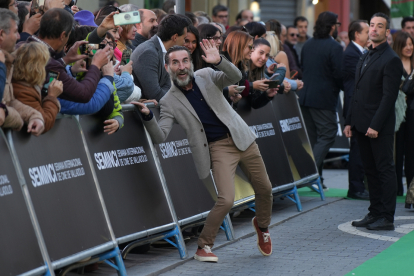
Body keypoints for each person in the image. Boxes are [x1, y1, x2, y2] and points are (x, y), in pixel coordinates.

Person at [132, 40, 274, 262]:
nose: (181, 66)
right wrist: (148, 116)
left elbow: (236, 77)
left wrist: (218, 60)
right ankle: (203, 246)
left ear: (190, 62)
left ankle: (262, 226)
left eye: (185, 61)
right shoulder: (168, 101)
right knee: (226, 200)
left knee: (265, 189)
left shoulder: (207, 74)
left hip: (242, 138)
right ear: (168, 67)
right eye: (175, 62)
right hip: (217, 148)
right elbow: (160, 136)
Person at [344, 13, 403, 230]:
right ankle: (374, 212)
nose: (374, 29)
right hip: (360, 124)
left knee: (384, 170)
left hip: (378, 127)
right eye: (372, 25)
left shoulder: (391, 59)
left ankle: (386, 217)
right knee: (370, 171)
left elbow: (389, 97)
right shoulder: (366, 54)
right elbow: (357, 91)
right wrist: (349, 121)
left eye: (380, 26)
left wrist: (375, 125)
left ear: (387, 32)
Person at [298, 11, 343, 190]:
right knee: (327, 134)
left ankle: (318, 180)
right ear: (332, 27)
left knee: (315, 140)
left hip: (305, 98)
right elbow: (339, 74)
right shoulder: (335, 47)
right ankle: (310, 174)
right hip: (323, 100)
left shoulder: (308, 44)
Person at [0, 8, 44, 135]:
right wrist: (16, 118)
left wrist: (35, 116)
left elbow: (8, 102)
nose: (19, 36)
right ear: (1, 34)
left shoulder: (7, 60)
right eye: (15, 32)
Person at [131, 14, 189, 101]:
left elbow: (167, 85)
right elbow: (154, 94)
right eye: (184, 38)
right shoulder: (148, 53)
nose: (184, 43)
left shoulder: (162, 50)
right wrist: (179, 100)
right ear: (175, 37)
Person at [342, 20, 370, 200]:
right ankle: (355, 188)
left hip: (361, 107)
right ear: (357, 35)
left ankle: (360, 185)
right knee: (357, 150)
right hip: (355, 107)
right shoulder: (352, 54)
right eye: (367, 31)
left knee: (361, 149)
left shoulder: (361, 51)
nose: (370, 33)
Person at [12, 42, 62, 133]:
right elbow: (44, 122)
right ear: (38, 68)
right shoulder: (24, 92)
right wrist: (52, 97)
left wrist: (72, 70)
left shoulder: (21, 81)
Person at [392, 31, 414, 198]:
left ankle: (411, 191)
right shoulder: (394, 63)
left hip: (412, 112)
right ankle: (397, 187)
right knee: (397, 152)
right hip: (397, 113)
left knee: (411, 151)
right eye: (405, 44)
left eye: (411, 44)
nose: (409, 47)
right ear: (398, 46)